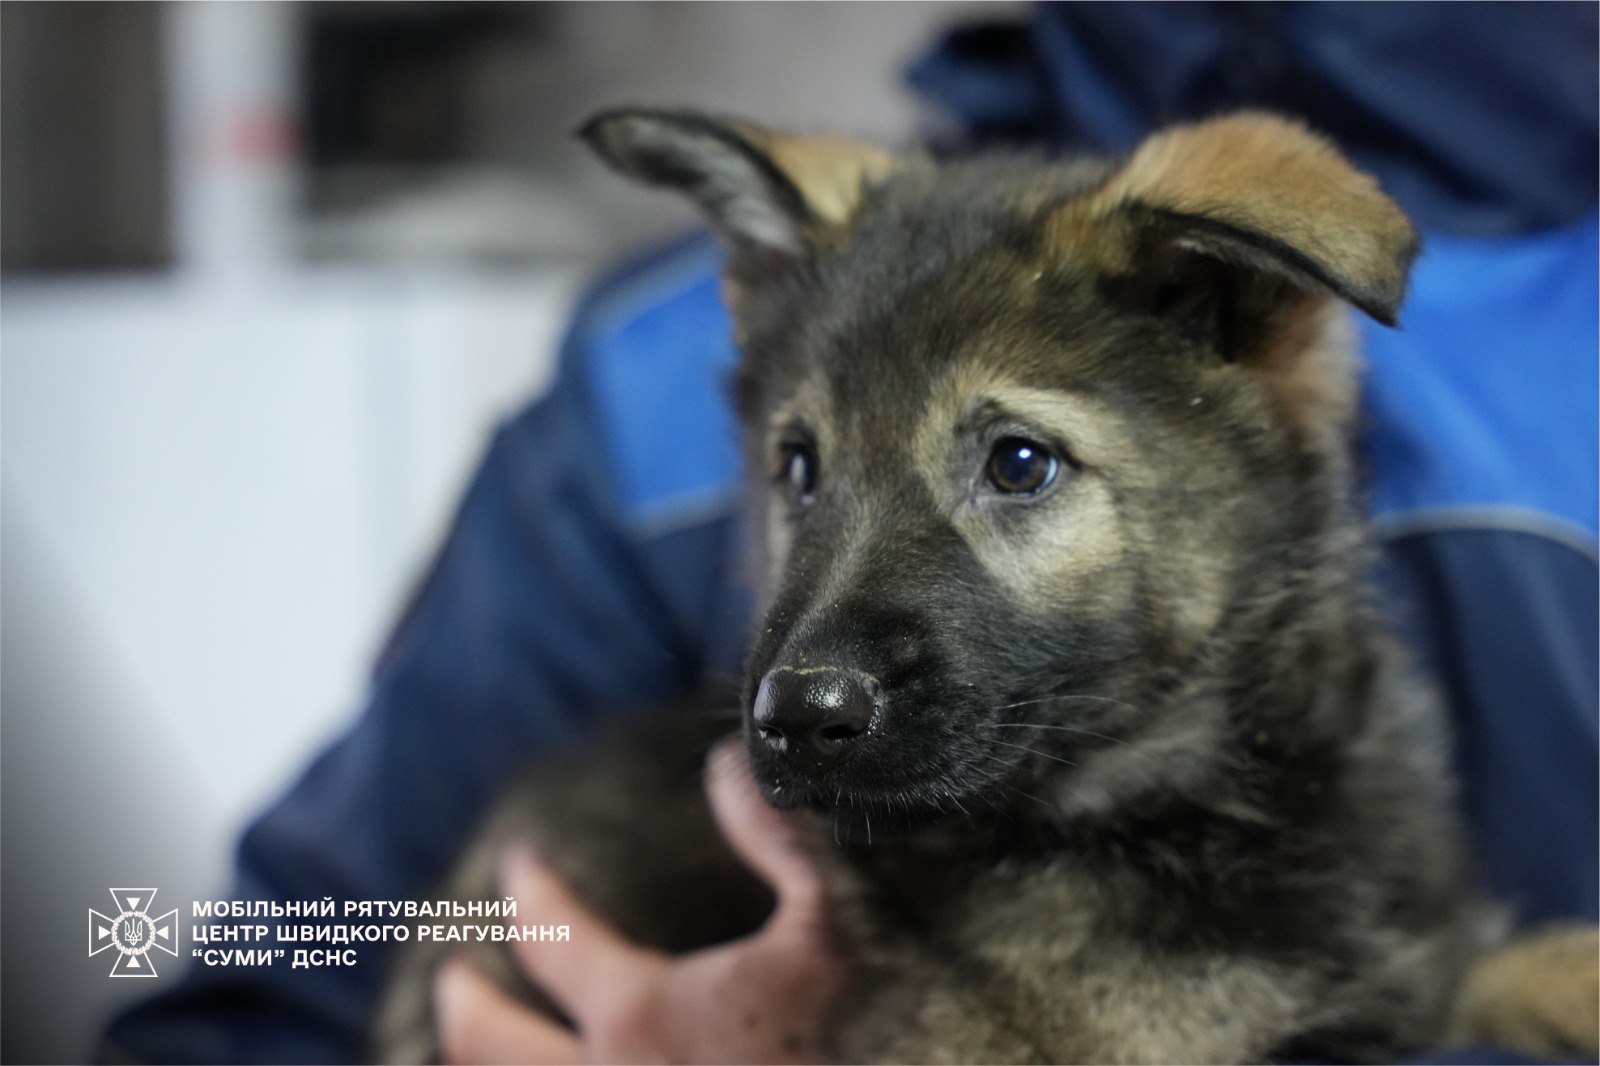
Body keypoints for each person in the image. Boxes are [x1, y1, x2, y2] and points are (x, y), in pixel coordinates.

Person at [103, 4, 1598, 1062]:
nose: (806, 673)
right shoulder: (655, 377)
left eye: (1016, 464)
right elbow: (276, 953)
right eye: (804, 474)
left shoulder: (1260, 279)